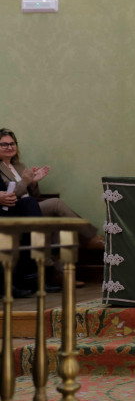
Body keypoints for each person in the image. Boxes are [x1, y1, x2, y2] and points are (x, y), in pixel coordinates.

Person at [0, 127, 96, 296]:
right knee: (56, 204)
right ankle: (91, 238)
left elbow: (34, 195)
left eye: (12, 143)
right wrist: (25, 181)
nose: (9, 147)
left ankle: (58, 274)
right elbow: (9, 197)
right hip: (13, 211)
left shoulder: (19, 165)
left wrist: (34, 182)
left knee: (58, 222)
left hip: (30, 208)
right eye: (4, 144)